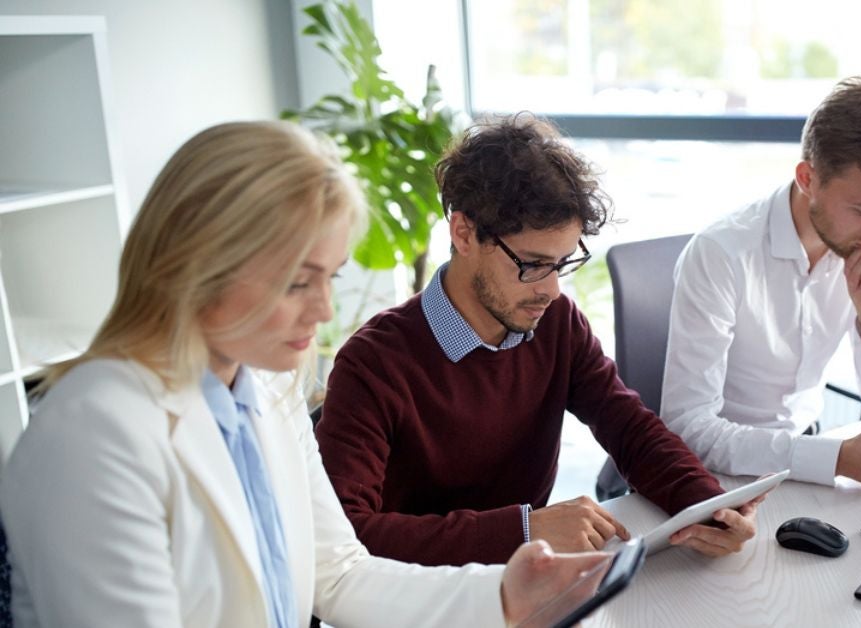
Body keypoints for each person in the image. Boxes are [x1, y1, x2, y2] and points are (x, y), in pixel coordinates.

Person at [0, 120, 614, 628]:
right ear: (197, 266)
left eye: (331, 277)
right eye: (298, 282)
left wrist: (506, 598)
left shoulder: (266, 389)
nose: (323, 311)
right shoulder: (92, 438)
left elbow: (340, 573)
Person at [315, 113, 762, 568]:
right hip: (422, 600)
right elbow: (347, 534)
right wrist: (523, 530)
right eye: (531, 264)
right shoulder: (372, 364)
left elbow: (629, 427)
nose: (550, 290)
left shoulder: (554, 323)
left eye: (563, 263)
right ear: (464, 233)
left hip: (528, 583)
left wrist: (708, 503)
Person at [660, 77, 861, 488]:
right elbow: (688, 428)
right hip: (720, 474)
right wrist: (833, 459)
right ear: (808, 178)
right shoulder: (721, 254)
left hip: (810, 459)